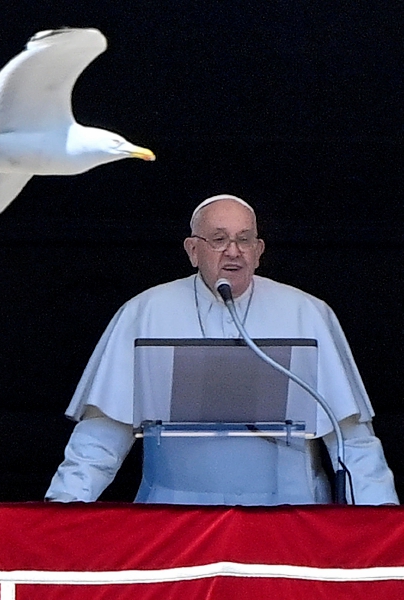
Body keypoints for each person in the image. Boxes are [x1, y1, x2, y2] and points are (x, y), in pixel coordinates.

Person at [46, 194, 399, 506]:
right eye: (219, 239)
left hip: (289, 515)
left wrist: (380, 525)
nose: (233, 251)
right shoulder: (146, 312)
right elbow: (103, 435)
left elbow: (351, 439)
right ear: (192, 250)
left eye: (244, 240)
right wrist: (63, 509)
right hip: (176, 514)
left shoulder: (306, 312)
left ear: (259, 251)